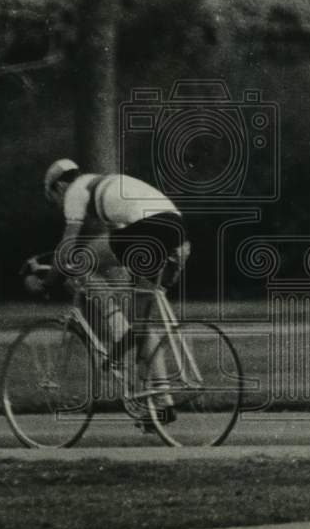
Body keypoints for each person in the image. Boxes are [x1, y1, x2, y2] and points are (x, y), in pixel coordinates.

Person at [23, 158, 191, 432]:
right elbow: (117, 245)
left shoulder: (76, 190)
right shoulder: (108, 190)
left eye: (52, 196)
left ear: (61, 185)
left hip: (152, 230)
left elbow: (68, 248)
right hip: (178, 235)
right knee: (141, 326)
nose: (56, 205)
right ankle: (162, 401)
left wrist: (46, 283)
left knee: (79, 261)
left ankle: (114, 324)